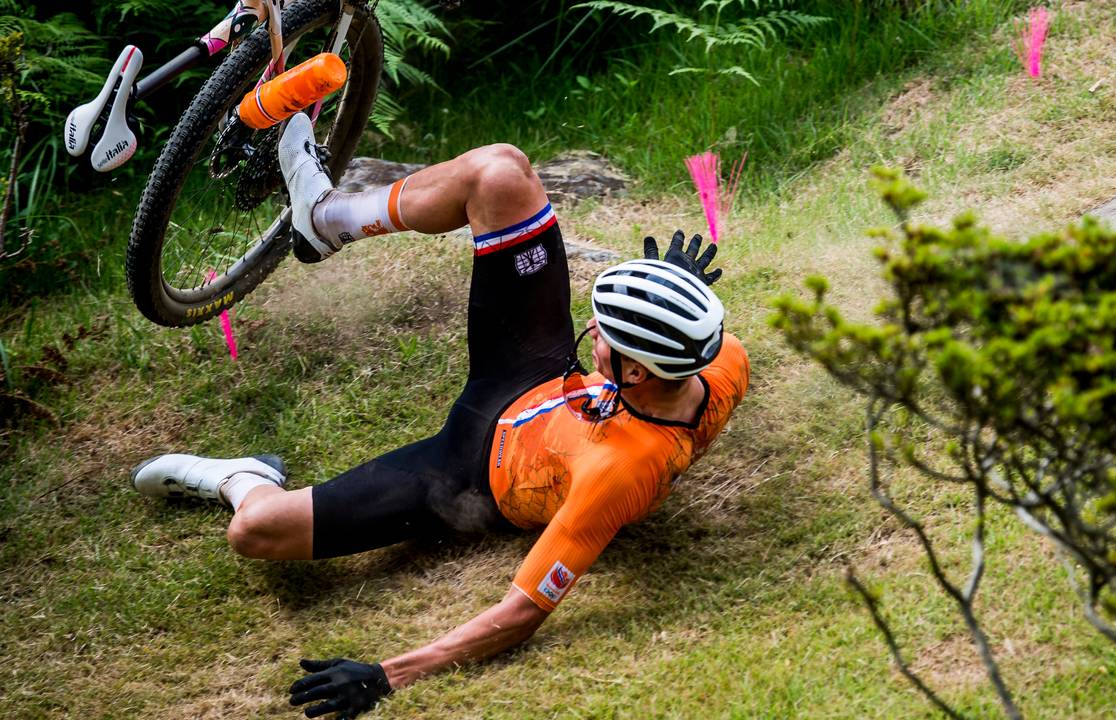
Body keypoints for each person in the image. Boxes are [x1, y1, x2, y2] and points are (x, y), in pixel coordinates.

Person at [130, 113, 750, 718]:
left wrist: (386, 676)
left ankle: (242, 476)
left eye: (607, 337)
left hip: (467, 477)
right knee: (500, 171)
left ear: (637, 374)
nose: (592, 330)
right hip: (534, 373)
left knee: (257, 532)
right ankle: (328, 219)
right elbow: (701, 337)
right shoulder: (718, 362)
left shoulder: (620, 471)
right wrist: (667, 294)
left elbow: (520, 614)